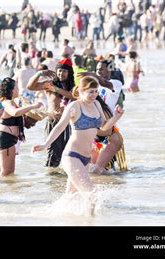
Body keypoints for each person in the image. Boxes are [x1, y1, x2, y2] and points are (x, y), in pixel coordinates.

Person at [32, 76, 124, 215]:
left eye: (96, 91)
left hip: (85, 159)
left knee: (70, 197)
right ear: (81, 91)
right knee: (91, 195)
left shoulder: (96, 105)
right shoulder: (74, 106)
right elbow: (59, 127)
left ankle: (54, 217)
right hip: (72, 157)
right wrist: (45, 145)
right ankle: (89, 223)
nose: (94, 95)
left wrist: (116, 117)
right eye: (90, 92)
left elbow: (104, 127)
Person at [0, 78, 42, 176]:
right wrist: (33, 106)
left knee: (10, 172)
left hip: (9, 139)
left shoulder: (12, 102)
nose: (18, 90)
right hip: (4, 139)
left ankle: (8, 191)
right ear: (11, 90)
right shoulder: (6, 102)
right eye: (16, 87)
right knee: (5, 173)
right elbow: (14, 112)